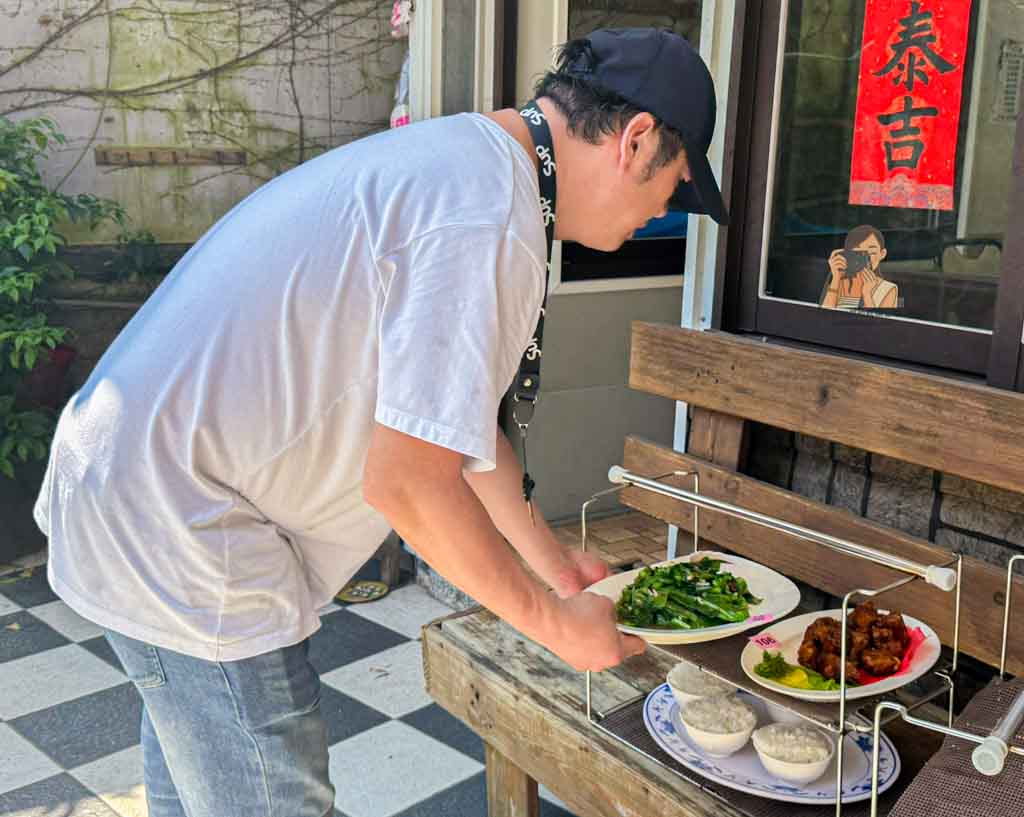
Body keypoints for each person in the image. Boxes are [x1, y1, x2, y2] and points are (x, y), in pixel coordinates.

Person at [33, 27, 728, 817]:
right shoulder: (490, 217)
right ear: (636, 141)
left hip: (135, 480)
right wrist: (557, 627)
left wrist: (553, 563)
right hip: (176, 519)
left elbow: (457, 430)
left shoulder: (474, 167)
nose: (665, 210)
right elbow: (408, 483)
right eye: (675, 186)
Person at [820, 224, 899, 310]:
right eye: (858, 253)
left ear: (882, 254)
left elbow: (878, 318)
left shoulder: (888, 289)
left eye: (872, 252)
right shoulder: (838, 281)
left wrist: (867, 294)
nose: (865, 258)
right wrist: (836, 278)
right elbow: (824, 314)